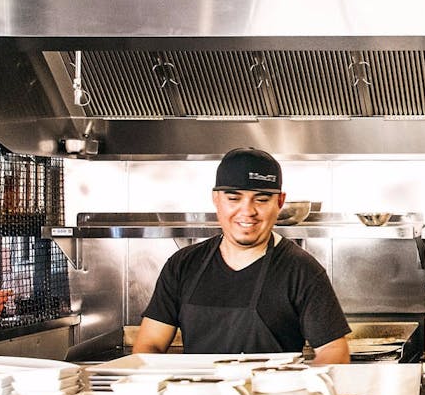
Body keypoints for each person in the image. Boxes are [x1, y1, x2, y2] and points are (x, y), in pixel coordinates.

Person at [134, 148, 351, 364]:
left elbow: (334, 350)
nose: (247, 211)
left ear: (280, 202)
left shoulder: (302, 270)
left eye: (261, 199)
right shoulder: (182, 265)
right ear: (216, 199)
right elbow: (149, 343)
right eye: (233, 198)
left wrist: (301, 388)